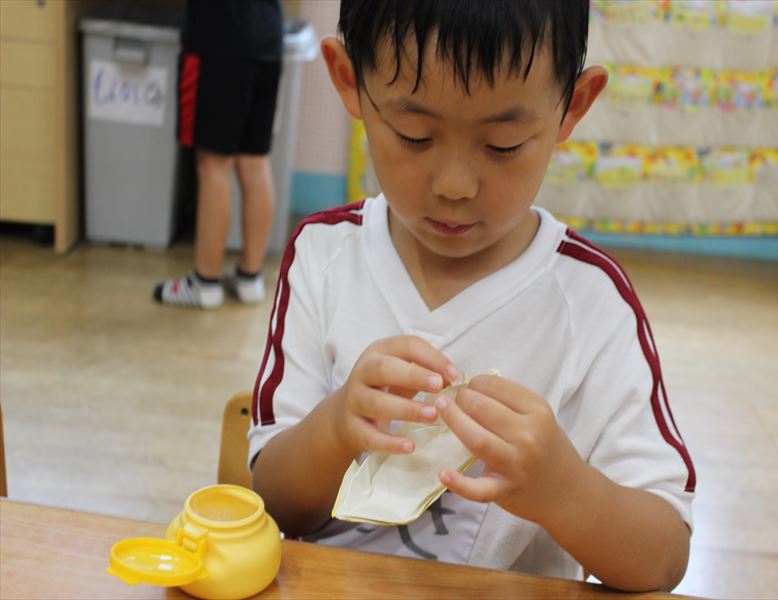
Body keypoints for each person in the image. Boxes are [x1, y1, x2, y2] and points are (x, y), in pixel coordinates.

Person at [248, 0, 695, 592]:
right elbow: (273, 500)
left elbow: (664, 556)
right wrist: (335, 429)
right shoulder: (324, 255)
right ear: (349, 81)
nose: (455, 186)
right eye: (414, 135)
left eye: (503, 144)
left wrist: (564, 489)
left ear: (573, 105)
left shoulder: (591, 302)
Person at [154, 0, 284, 308]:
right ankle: (250, 278)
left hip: (219, 39)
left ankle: (206, 282)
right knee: (255, 161)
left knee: (213, 164)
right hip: (267, 37)